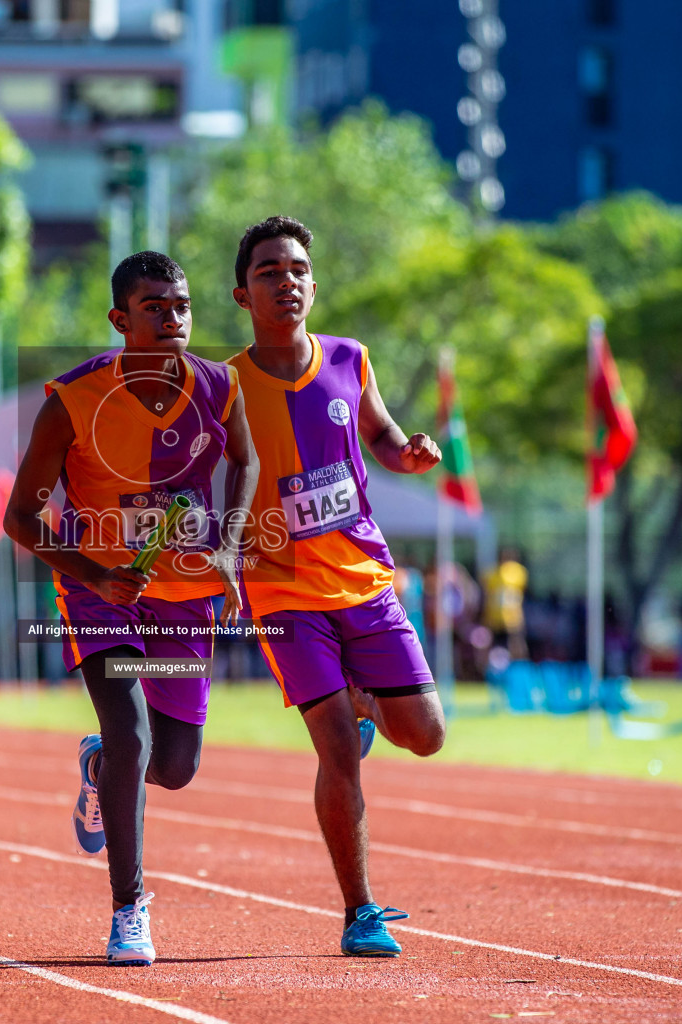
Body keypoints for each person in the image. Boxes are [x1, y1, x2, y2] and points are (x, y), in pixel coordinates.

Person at [3, 251, 258, 966]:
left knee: (174, 765)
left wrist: (232, 547)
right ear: (120, 319)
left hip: (183, 595)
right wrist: (95, 572)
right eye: (155, 307)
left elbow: (247, 459)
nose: (173, 318)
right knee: (133, 733)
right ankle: (129, 909)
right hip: (96, 593)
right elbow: (20, 519)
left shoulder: (218, 386)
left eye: (180, 305)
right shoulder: (72, 401)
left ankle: (100, 767)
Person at [227, 216, 445, 958]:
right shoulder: (223, 386)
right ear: (241, 293)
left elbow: (379, 436)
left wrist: (409, 455)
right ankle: (360, 913)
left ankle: (360, 699)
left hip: (362, 579)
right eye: (268, 272)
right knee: (337, 755)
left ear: (312, 285)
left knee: (425, 735)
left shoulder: (351, 359)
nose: (285, 282)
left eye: (295, 270)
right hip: (283, 592)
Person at [481, 548, 529, 662]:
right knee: (496, 645)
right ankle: (496, 669)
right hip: (497, 617)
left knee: (515, 643)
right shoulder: (494, 574)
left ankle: (519, 666)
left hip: (512, 616)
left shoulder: (517, 572)